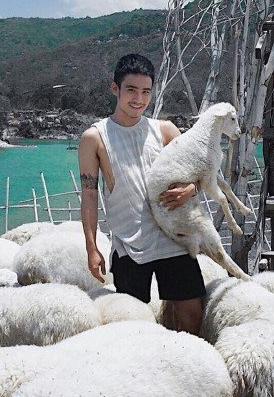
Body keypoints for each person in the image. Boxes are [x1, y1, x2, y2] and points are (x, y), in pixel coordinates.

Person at [78, 53, 205, 334]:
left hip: (174, 238)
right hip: (129, 245)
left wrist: (190, 189)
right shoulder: (95, 137)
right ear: (116, 89)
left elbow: (200, 171)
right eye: (131, 90)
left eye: (146, 91)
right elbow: (89, 195)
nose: (139, 99)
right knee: (131, 326)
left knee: (192, 316)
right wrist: (91, 247)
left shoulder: (165, 130)